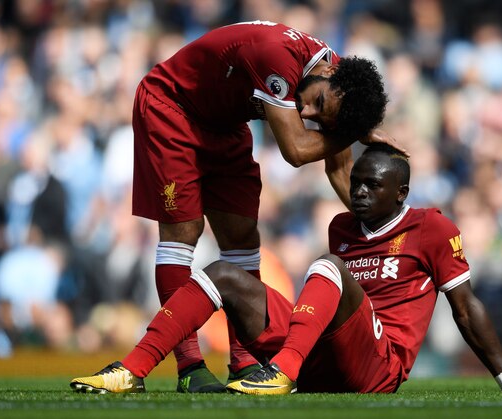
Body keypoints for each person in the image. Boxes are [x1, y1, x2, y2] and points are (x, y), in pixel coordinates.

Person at [71, 144, 502, 395]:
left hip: (380, 365)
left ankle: (282, 372)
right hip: (323, 357)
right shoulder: (342, 226)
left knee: (329, 266)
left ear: (400, 193)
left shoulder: (431, 227)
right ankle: (131, 370)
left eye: (372, 186)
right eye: (355, 184)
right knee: (223, 273)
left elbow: (465, 306)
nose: (358, 193)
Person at [130, 20, 396, 392]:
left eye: (321, 118)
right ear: (330, 72)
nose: (307, 113)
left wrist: (382, 229)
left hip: (225, 122)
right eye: (318, 103)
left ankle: (243, 361)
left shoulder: (335, 78)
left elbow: (339, 165)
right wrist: (348, 133)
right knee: (184, 231)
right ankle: (189, 366)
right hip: (172, 108)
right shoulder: (277, 56)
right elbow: (297, 151)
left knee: (242, 236)